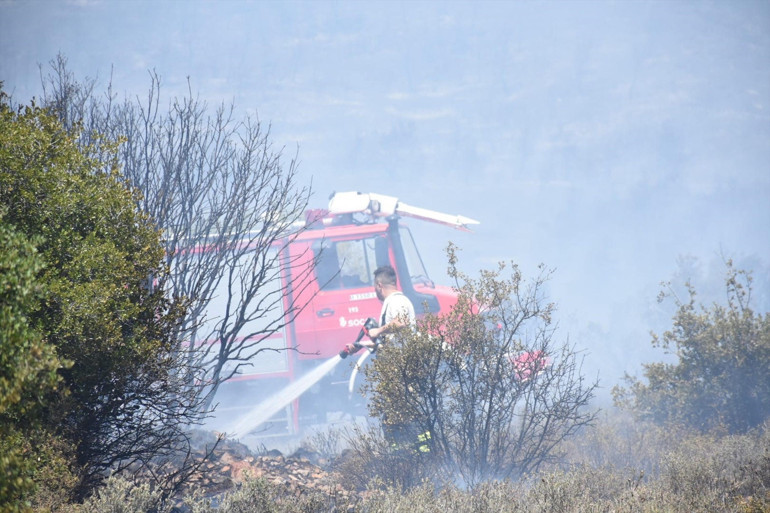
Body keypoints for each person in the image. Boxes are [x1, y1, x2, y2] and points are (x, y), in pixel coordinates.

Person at [346, 265, 415, 353]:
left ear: (379, 286)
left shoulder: (396, 300)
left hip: (403, 362)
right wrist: (359, 345)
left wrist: (378, 331)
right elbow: (388, 343)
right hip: (397, 360)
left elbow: (401, 322)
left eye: (375, 288)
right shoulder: (392, 301)